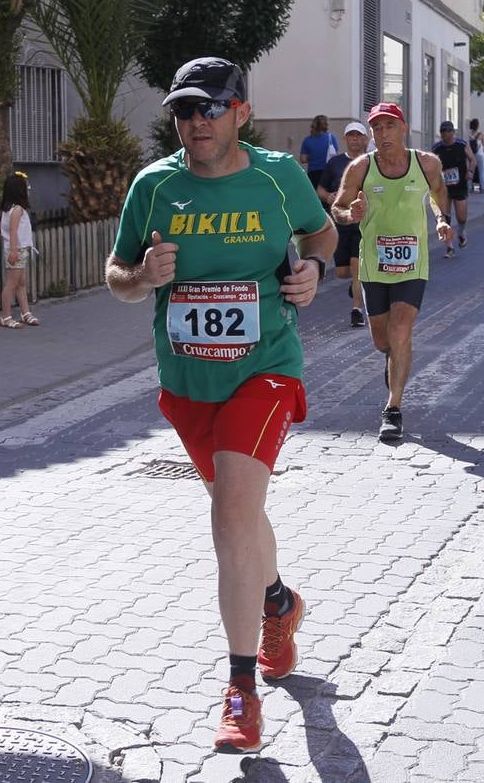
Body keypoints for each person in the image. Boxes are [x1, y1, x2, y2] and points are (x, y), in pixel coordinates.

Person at [106, 57, 335, 753]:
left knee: (229, 513)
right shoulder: (154, 185)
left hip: (263, 370)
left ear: (240, 110)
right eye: (183, 111)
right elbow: (115, 276)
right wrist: (141, 275)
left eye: (209, 109)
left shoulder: (277, 176)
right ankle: (276, 603)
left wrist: (314, 269)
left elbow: (319, 231)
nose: (195, 122)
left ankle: (240, 692)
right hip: (186, 382)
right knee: (242, 514)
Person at [332, 102, 453, 443]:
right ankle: (396, 360)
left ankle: (392, 409)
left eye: (389, 126)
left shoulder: (426, 163)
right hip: (374, 265)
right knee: (383, 340)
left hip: (413, 264)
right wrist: (349, 214)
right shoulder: (360, 168)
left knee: (401, 328)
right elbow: (337, 207)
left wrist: (442, 219)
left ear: (403, 128)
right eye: (377, 128)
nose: (382, 134)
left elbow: (438, 192)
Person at [319, 121, 370, 326]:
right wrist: (328, 197)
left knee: (356, 265)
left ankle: (356, 310)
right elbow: (320, 190)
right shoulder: (335, 163)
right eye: (351, 135)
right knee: (342, 272)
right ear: (345, 139)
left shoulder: (371, 163)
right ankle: (357, 283)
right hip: (341, 223)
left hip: (363, 223)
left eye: (359, 135)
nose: (355, 139)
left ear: (365, 139)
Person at [0, 171, 39, 328]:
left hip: (19, 250)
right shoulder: (17, 210)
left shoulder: (8, 209)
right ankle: (6, 316)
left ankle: (25, 312)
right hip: (16, 250)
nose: (28, 190)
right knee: (11, 283)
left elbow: (3, 228)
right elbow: (13, 231)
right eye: (26, 187)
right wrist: (14, 251)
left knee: (21, 282)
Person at [432, 120, 476, 258]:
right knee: (445, 218)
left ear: (453, 132)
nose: (446, 134)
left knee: (461, 217)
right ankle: (449, 248)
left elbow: (473, 160)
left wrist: (470, 171)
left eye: (448, 131)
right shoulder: (436, 148)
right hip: (443, 187)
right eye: (443, 132)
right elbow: (430, 165)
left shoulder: (461, 145)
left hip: (459, 185)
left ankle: (462, 233)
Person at [298, 114, 338, 189]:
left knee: (315, 196)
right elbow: (335, 155)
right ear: (326, 125)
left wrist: (313, 157)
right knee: (327, 197)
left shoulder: (307, 140)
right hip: (328, 172)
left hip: (313, 173)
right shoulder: (331, 138)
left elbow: (303, 159)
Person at [468, 118, 484, 192]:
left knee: (471, 170)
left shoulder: (469, 134)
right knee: (481, 172)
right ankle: (482, 187)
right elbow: (483, 145)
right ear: (478, 125)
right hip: (480, 155)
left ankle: (469, 187)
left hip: (471, 155)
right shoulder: (481, 134)